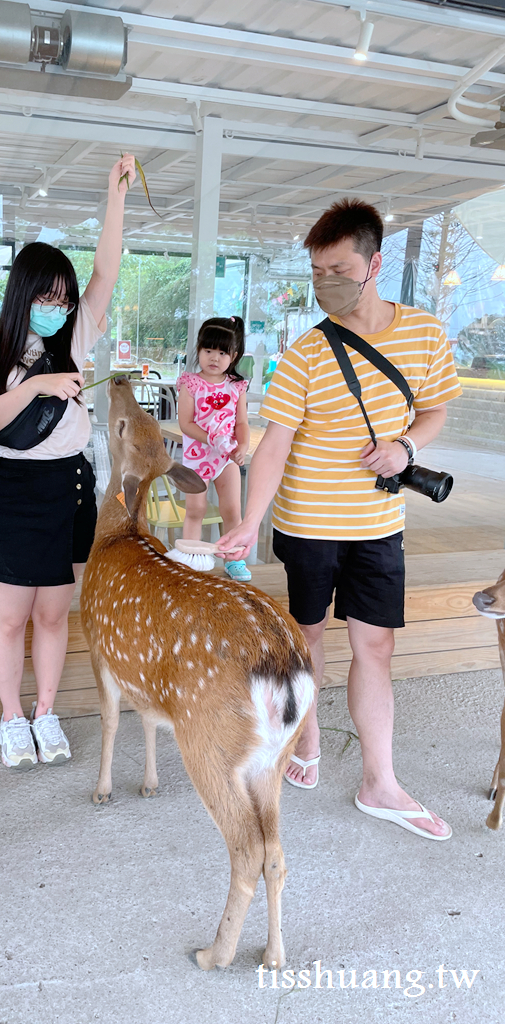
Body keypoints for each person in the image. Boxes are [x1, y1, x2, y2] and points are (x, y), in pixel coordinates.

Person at [218, 198, 461, 841]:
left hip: (379, 524)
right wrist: (250, 519)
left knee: (374, 646)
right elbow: (273, 445)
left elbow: (434, 409)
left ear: (374, 263)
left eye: (339, 266)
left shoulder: (426, 335)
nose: (326, 280)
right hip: (308, 524)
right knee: (308, 637)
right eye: (318, 269)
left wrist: (407, 447)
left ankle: (379, 780)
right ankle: (311, 733)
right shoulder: (305, 354)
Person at [0, 154, 136, 771]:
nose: (58, 307)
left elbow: (107, 270)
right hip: (6, 490)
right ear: (24, 295)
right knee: (9, 618)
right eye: (48, 297)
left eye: (64, 298)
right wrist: (35, 387)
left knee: (55, 613)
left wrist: (115, 197)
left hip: (66, 489)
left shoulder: (74, 339)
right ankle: (11, 719)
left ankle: (46, 712)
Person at [177, 316, 251, 581]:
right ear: (198, 350)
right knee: (195, 510)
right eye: (208, 350)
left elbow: (241, 422)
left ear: (234, 355)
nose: (214, 358)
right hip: (196, 460)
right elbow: (185, 423)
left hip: (226, 459)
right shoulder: (190, 384)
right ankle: (191, 560)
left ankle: (234, 560)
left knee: (232, 511)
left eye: (222, 352)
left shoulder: (236, 386)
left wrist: (242, 445)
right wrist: (211, 439)